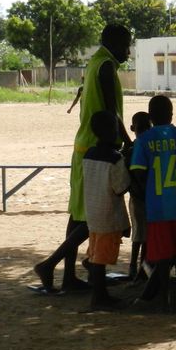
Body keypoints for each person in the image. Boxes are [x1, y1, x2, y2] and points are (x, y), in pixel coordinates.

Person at [34, 24, 132, 294]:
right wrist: (130, 141)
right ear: (113, 42)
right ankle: (51, 264)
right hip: (96, 147)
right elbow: (112, 112)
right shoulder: (106, 66)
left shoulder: (95, 63)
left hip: (86, 147)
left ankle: (68, 276)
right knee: (93, 216)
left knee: (80, 214)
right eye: (126, 44)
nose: (129, 51)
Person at [130, 95, 176, 310]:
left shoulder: (144, 140)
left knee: (162, 256)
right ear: (172, 114)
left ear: (150, 117)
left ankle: (164, 300)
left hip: (157, 206)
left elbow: (138, 172)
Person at [81, 111, 133, 310]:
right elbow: (121, 188)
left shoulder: (89, 154)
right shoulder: (115, 158)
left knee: (96, 254)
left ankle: (99, 293)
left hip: (93, 211)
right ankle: (99, 296)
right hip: (109, 214)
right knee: (101, 258)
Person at [126, 111, 152, 282]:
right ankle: (137, 267)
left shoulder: (131, 149)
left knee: (141, 234)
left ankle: (136, 267)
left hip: (139, 196)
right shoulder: (146, 148)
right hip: (143, 196)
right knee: (142, 234)